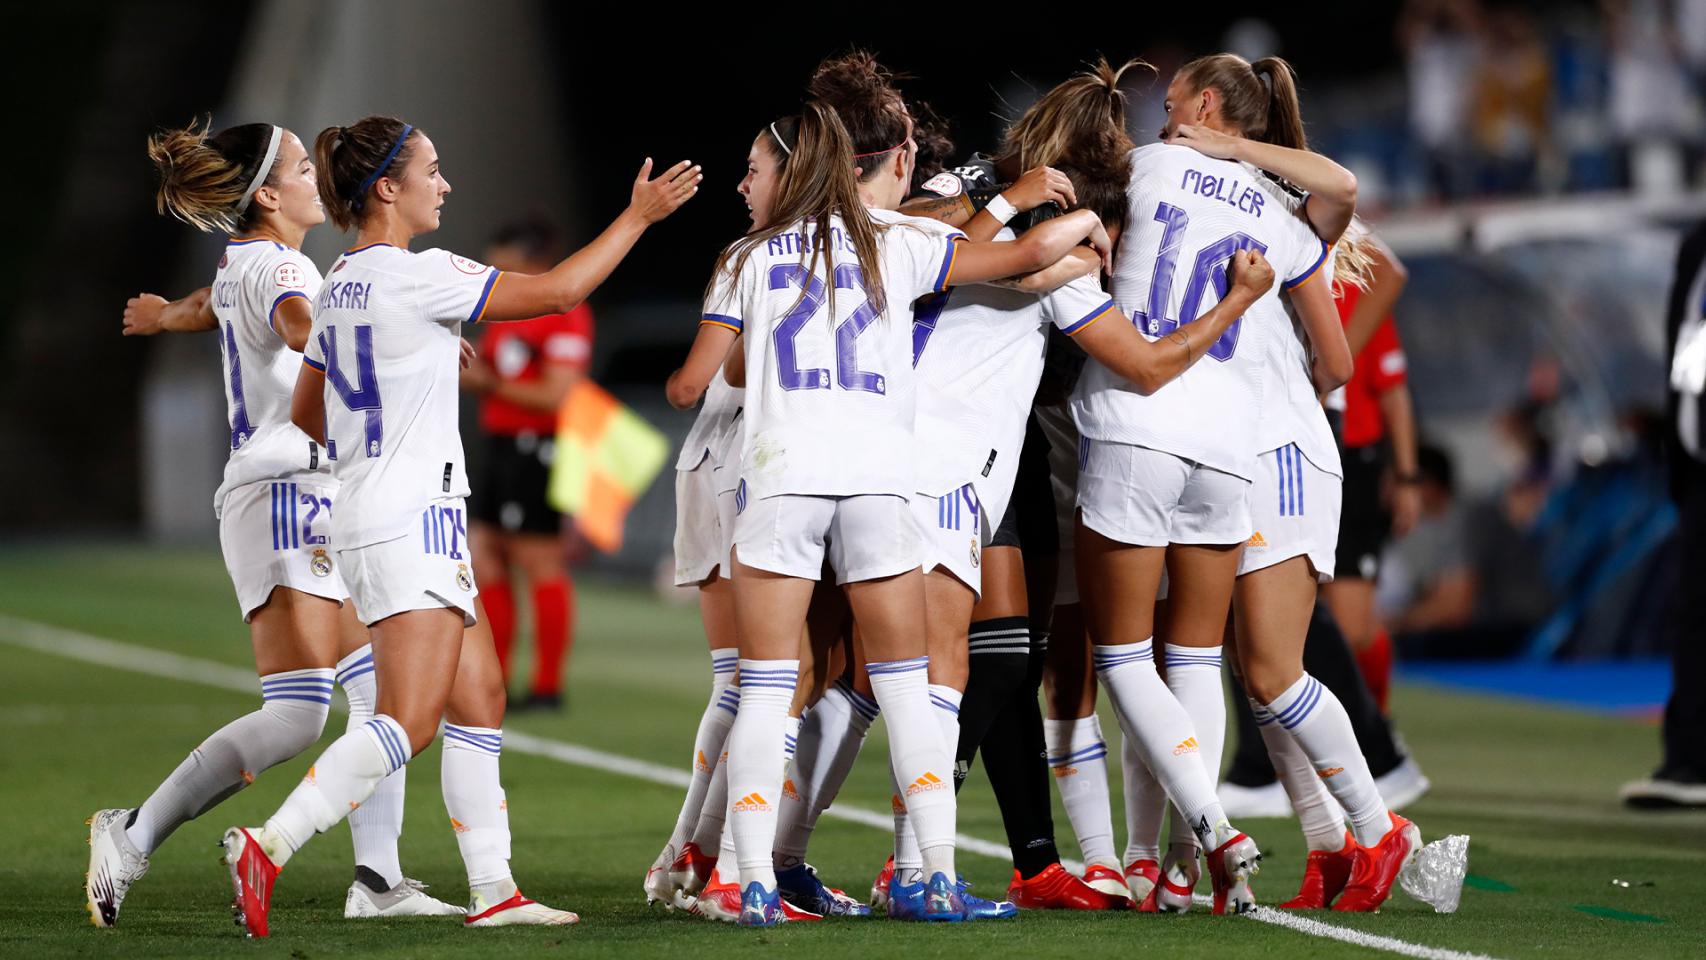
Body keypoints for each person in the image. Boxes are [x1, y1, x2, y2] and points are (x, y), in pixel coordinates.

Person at [217, 114, 699, 936]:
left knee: (479, 698)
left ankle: (495, 891)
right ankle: (269, 843)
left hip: (383, 509)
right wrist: (639, 217)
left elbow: (309, 410)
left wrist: (414, 380)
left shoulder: (338, 284)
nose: (445, 186)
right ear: (388, 190)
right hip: (409, 516)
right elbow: (559, 292)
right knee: (408, 719)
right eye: (431, 172)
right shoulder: (421, 273)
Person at [668, 98, 1119, 926]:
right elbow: (1029, 252)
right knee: (910, 686)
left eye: (755, 169)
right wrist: (1081, 214)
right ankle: (935, 877)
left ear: (788, 175)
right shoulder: (900, 241)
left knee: (769, 686)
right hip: (880, 486)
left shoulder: (747, 256)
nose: (746, 182)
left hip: (783, 481)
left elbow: (695, 386)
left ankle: (750, 882)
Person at [90, 118, 459, 929]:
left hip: (296, 496)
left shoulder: (242, 262)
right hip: (288, 493)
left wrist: (162, 316)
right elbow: (299, 324)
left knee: (376, 697)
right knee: (298, 714)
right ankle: (134, 831)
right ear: (267, 194)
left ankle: (377, 878)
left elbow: (215, 308)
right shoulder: (286, 264)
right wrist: (389, 339)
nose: (311, 178)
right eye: (298, 168)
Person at [461, 218, 594, 711]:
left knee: (540, 560)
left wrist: (486, 384)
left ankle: (547, 686)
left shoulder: (563, 311)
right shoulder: (507, 308)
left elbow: (556, 393)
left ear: (529, 256)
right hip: (497, 444)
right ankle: (498, 678)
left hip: (540, 447)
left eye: (502, 255)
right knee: (486, 555)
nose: (493, 264)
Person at [1622, 216, 1706, 809]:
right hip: (1698, 466)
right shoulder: (1698, 244)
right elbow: (1689, 348)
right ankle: (1690, 761)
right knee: (1695, 609)